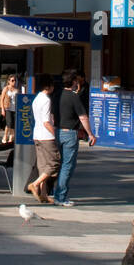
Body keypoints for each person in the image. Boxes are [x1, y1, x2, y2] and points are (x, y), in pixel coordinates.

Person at [54, 69, 96, 207]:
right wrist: (90, 134)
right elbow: (83, 117)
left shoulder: (57, 94)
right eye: (76, 80)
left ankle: (56, 194)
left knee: (60, 165)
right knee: (68, 165)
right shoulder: (74, 97)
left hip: (57, 131)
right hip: (70, 133)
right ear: (73, 82)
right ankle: (61, 196)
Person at [27, 75, 59, 205]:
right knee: (54, 163)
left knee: (42, 165)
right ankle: (35, 184)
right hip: (46, 136)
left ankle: (44, 194)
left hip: (37, 134)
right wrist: (54, 133)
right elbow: (46, 121)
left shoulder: (36, 99)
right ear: (49, 86)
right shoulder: (46, 100)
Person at [0, 74, 19, 143]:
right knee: (9, 123)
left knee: (13, 124)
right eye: (12, 80)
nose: (14, 82)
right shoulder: (6, 88)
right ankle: (5, 135)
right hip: (8, 108)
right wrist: (2, 109)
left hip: (15, 108)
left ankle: (10, 138)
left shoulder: (17, 90)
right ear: (9, 81)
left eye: (15, 80)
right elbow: (2, 99)